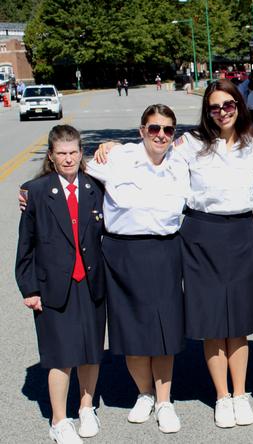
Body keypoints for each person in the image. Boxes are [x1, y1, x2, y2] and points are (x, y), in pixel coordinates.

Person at [94, 79, 253, 429]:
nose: (222, 112)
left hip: (242, 232)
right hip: (201, 233)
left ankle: (241, 393)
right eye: (214, 107)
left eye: (228, 105)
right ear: (207, 111)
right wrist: (110, 145)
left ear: (239, 106)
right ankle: (222, 396)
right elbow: (146, 153)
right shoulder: (190, 144)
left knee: (240, 322)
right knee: (214, 321)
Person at [86, 104, 190, 434]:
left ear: (174, 135)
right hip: (122, 252)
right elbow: (72, 170)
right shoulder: (117, 158)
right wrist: (32, 190)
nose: (161, 135)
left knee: (164, 330)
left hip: (163, 250)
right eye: (154, 128)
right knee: (130, 331)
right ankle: (144, 393)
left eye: (168, 130)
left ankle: (164, 400)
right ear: (141, 130)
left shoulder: (181, 162)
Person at [16, 125, 106, 444]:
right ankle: (59, 419)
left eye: (73, 152)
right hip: (54, 285)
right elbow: (25, 246)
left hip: (92, 282)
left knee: (91, 351)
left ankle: (85, 407)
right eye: (61, 153)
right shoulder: (37, 192)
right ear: (51, 157)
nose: (68, 159)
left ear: (81, 154)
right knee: (60, 355)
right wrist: (29, 289)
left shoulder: (96, 187)